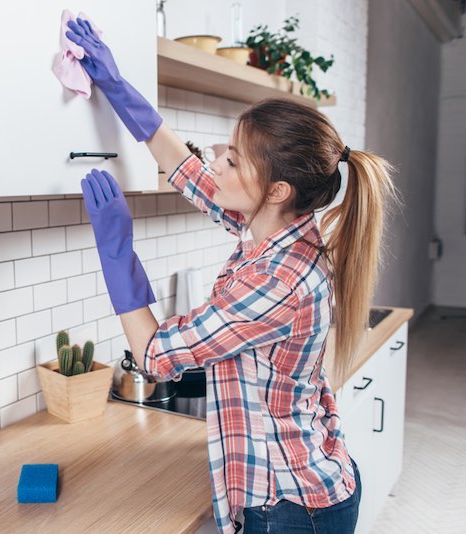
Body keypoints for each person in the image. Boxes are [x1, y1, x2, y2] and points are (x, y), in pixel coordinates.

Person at [66, 18, 398, 534]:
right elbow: (188, 170)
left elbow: (155, 356)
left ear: (277, 190)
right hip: (304, 483)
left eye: (233, 160)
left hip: (290, 507)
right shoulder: (275, 227)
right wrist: (115, 84)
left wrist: (116, 253)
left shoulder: (277, 281)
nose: (216, 162)